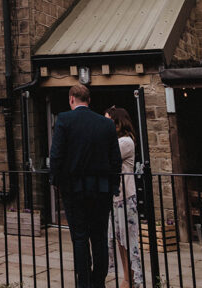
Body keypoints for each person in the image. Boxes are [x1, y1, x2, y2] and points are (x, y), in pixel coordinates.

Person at [49, 84, 121, 288]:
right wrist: (113, 185)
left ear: (71, 99)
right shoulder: (106, 124)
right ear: (89, 101)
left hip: (74, 189)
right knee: (99, 237)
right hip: (101, 189)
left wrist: (55, 181)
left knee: (79, 238)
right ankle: (98, 282)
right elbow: (115, 159)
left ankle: (84, 283)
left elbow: (56, 155)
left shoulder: (64, 120)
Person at [106, 106, 143, 288]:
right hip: (116, 197)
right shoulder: (115, 141)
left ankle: (132, 278)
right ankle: (128, 277)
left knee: (128, 240)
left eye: (108, 120)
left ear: (118, 122)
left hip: (125, 197)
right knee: (119, 240)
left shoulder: (126, 142)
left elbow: (106, 158)